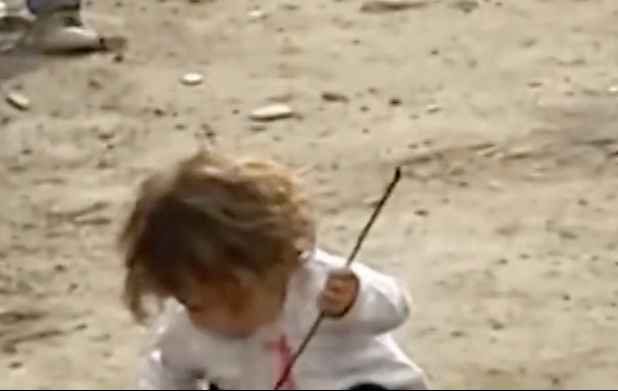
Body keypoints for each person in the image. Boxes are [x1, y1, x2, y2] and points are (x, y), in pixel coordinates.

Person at [121, 150, 427, 390]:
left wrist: (356, 299)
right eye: (196, 305)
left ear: (276, 262)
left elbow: (395, 306)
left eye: (236, 300)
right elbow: (166, 373)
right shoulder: (189, 331)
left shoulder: (318, 286)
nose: (221, 319)